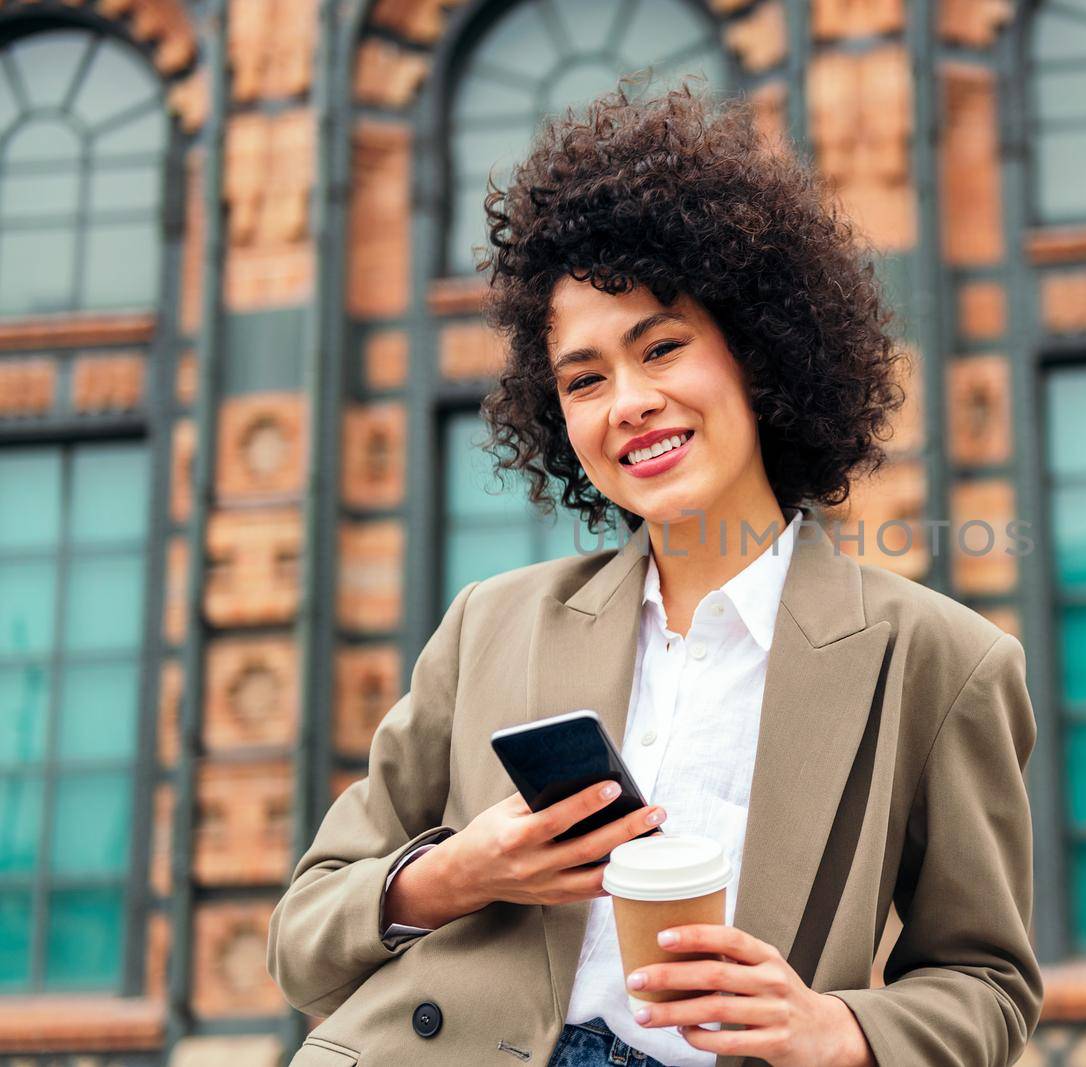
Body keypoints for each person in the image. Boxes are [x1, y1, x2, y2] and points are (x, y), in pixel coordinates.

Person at [267, 81, 1041, 1067]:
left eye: (662, 347)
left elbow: (989, 982)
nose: (628, 401)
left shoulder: (942, 662)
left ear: (758, 357)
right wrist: (459, 870)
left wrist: (836, 1025)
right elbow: (300, 935)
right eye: (584, 377)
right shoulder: (489, 624)